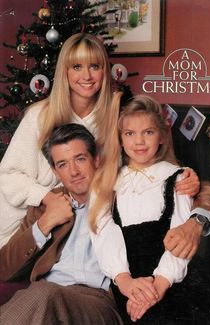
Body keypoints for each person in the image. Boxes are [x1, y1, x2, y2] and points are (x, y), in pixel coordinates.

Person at [0, 33, 199, 249]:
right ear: (64, 71)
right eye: (77, 67)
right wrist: (47, 197)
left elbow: (149, 168)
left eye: (94, 66)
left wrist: (186, 177)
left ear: (104, 70)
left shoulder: (116, 119)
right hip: (21, 228)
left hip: (82, 228)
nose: (87, 75)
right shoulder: (39, 116)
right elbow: (7, 176)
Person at [89, 95, 210, 324]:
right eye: (130, 134)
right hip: (129, 286)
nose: (139, 141)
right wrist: (125, 282)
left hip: (170, 281)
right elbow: (104, 236)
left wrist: (159, 285)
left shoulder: (178, 177)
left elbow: (181, 238)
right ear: (120, 140)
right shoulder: (107, 184)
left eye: (148, 132)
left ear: (162, 136)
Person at [0, 123, 123, 325]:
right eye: (63, 164)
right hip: (42, 301)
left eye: (80, 159)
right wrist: (44, 224)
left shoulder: (121, 200)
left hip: (97, 303)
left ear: (96, 160)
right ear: (55, 172)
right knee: (40, 295)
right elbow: (5, 269)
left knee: (44, 293)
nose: (73, 171)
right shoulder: (45, 207)